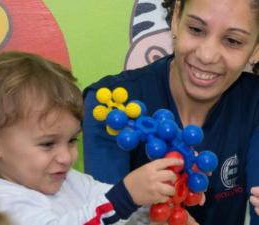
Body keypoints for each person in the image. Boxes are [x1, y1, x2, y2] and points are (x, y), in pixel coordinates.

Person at [82, 0, 259, 224]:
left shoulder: (254, 102)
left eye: (233, 41)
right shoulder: (112, 105)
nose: (206, 55)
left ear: (256, 48)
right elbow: (100, 215)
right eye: (196, 30)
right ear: (176, 17)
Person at [0, 51, 184, 225]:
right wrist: (125, 197)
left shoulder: (67, 179)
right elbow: (114, 204)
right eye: (47, 144)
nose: (66, 157)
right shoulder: (0, 209)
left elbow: (112, 208)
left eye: (71, 141)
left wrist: (159, 200)